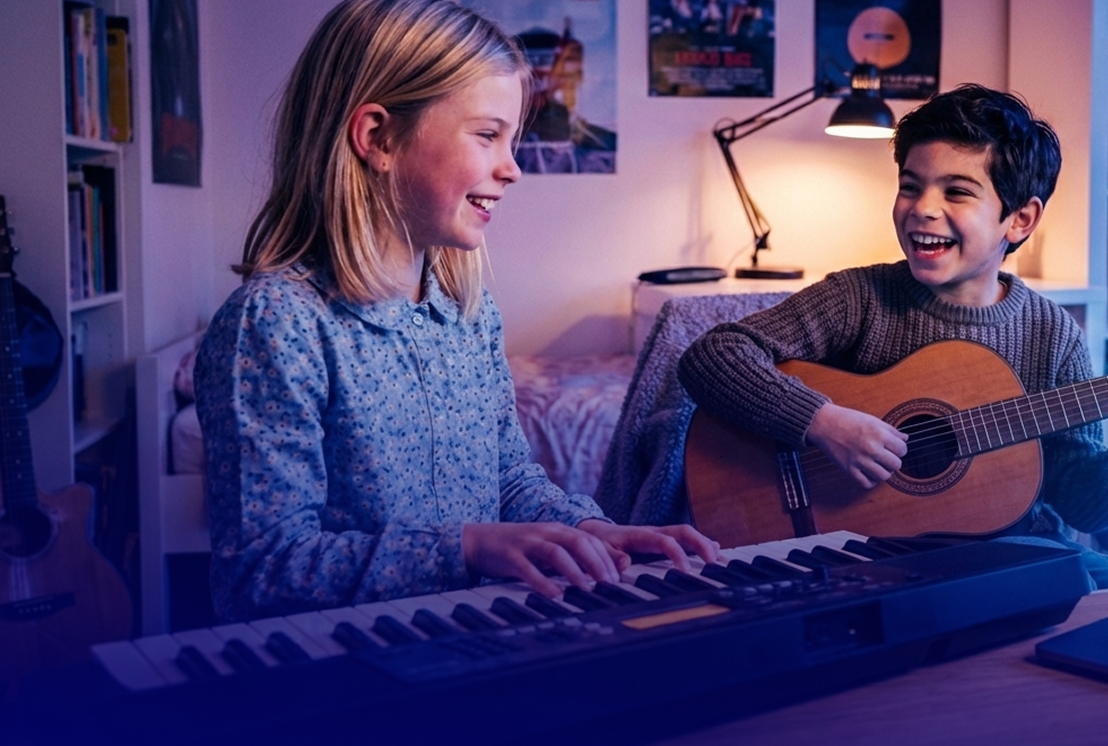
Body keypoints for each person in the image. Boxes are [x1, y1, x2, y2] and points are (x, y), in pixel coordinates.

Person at [195, 0, 718, 622]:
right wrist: (468, 548)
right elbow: (262, 572)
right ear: (378, 137)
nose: (513, 168)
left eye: (513, 139)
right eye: (488, 135)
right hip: (348, 675)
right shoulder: (276, 325)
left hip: (469, 639)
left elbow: (510, 479)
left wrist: (590, 530)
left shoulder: (468, 313)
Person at [678, 84, 1108, 588]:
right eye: (910, 187)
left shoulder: (1052, 335)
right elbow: (713, 355)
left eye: (957, 192)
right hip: (857, 553)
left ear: (1019, 220)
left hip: (1011, 552)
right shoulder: (860, 298)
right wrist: (823, 422)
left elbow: (1082, 504)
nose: (923, 210)